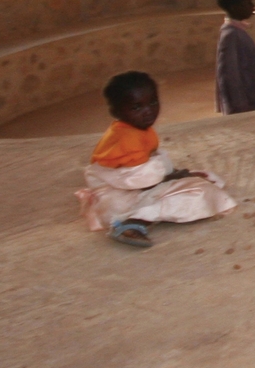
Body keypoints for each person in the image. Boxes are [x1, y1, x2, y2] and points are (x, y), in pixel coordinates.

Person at [76, 71, 235, 248]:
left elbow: (145, 167)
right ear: (116, 111)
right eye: (136, 107)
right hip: (118, 200)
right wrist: (174, 178)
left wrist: (175, 175)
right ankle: (133, 222)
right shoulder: (127, 138)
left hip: (129, 189)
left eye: (152, 103)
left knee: (201, 183)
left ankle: (142, 216)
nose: (148, 111)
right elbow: (144, 180)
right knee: (200, 192)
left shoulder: (133, 129)